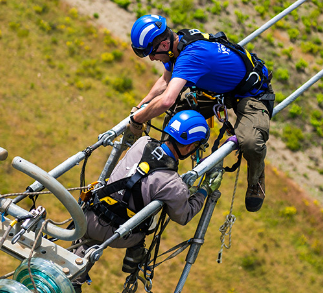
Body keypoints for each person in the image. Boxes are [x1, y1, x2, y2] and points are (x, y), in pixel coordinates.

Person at [127, 14, 273, 213]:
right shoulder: (176, 45)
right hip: (220, 91)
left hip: (251, 94)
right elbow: (165, 79)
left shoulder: (191, 56)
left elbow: (167, 99)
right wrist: (141, 105)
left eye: (151, 53)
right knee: (175, 118)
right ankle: (163, 170)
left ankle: (256, 180)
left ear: (162, 44)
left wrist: (137, 119)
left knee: (250, 142)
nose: (152, 58)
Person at [72, 110, 223, 292]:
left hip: (88, 217)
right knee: (144, 229)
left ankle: (73, 279)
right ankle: (135, 257)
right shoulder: (173, 184)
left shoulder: (143, 142)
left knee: (87, 241)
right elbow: (184, 215)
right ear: (191, 147)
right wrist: (204, 190)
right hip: (120, 236)